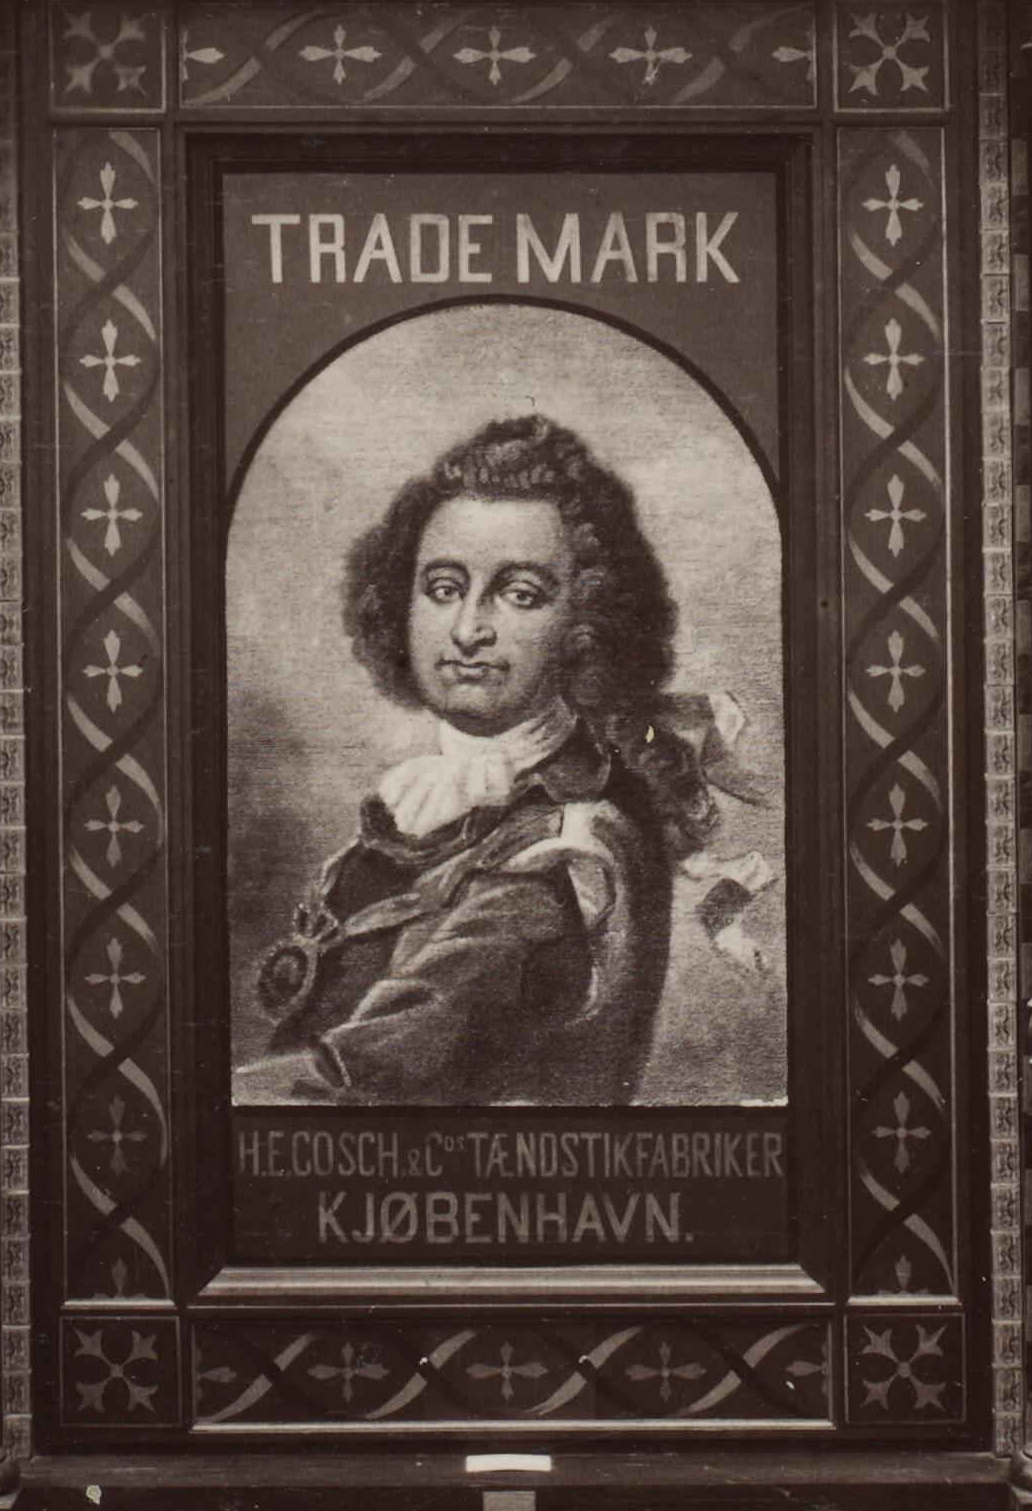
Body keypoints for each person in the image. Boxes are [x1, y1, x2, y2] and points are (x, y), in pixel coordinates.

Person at [233, 407, 745, 1108]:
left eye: (519, 594)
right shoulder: (432, 802)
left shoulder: (568, 849)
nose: (468, 629)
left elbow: (350, 1081)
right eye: (444, 589)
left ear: (586, 622)